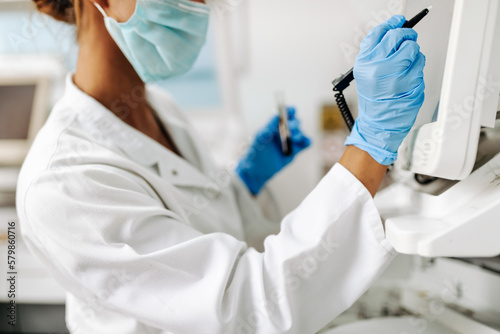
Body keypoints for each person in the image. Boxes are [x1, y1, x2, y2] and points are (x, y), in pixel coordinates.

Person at [17, 0, 425, 333]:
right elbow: (245, 308)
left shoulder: (160, 109)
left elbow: (200, 232)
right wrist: (371, 144)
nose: (200, 8)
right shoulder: (61, 181)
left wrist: (242, 184)